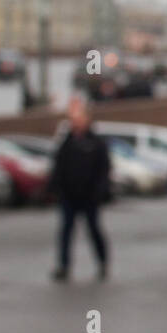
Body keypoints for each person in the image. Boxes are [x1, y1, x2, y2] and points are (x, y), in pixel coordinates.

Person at [48, 98, 111, 282]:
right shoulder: (67, 142)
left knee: (94, 230)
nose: (76, 123)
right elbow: (58, 166)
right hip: (69, 195)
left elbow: (104, 169)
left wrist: (100, 191)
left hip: (89, 196)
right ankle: (64, 266)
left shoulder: (96, 143)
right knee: (66, 232)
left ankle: (102, 263)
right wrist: (55, 188)